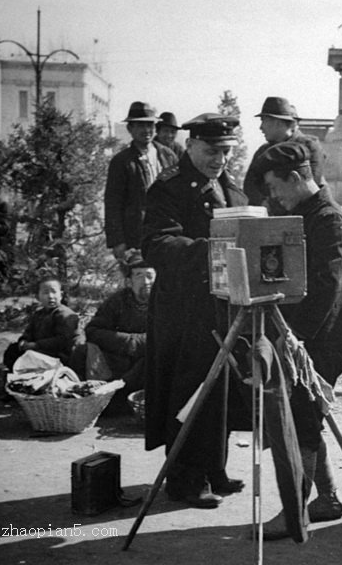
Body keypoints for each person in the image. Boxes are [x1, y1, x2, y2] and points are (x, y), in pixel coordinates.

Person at [142, 112, 249, 509]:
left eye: (226, 151)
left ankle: (214, 468)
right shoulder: (169, 189)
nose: (219, 159)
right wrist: (210, 250)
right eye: (211, 150)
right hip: (183, 310)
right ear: (191, 145)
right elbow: (156, 244)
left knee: (219, 388)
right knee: (189, 390)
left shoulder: (231, 190)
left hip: (222, 305)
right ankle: (186, 479)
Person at [251, 142, 342, 539]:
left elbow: (324, 296)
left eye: (276, 186)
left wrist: (292, 343)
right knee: (307, 418)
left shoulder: (329, 222)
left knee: (301, 422)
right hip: (303, 340)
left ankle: (295, 514)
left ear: (296, 178)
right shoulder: (303, 215)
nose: (273, 196)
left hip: (317, 345)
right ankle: (327, 498)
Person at [69, 250, 155, 398]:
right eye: (139, 275)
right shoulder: (117, 301)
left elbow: (169, 336)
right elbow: (93, 330)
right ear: (129, 281)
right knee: (82, 351)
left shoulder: (166, 302)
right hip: (117, 358)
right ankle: (83, 396)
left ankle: (121, 396)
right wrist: (127, 341)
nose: (146, 282)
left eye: (149, 275)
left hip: (147, 360)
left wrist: (138, 342)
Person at [104, 102, 179, 261]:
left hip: (167, 232)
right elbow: (113, 203)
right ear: (130, 129)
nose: (146, 130)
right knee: (139, 279)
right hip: (136, 236)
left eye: (150, 125)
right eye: (140, 125)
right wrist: (118, 241)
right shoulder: (122, 161)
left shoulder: (168, 155)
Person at [243, 97, 327, 213]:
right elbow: (250, 186)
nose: (261, 127)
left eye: (264, 121)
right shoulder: (263, 151)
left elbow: (309, 186)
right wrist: (264, 205)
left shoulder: (310, 147)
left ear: (277, 122)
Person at [3, 275, 81, 371]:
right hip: (41, 350)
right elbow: (29, 331)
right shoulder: (38, 314)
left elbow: (62, 340)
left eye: (54, 292)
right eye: (45, 293)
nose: (50, 296)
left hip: (59, 354)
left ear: (61, 295)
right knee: (13, 350)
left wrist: (37, 345)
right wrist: (24, 341)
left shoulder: (66, 315)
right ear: (38, 297)